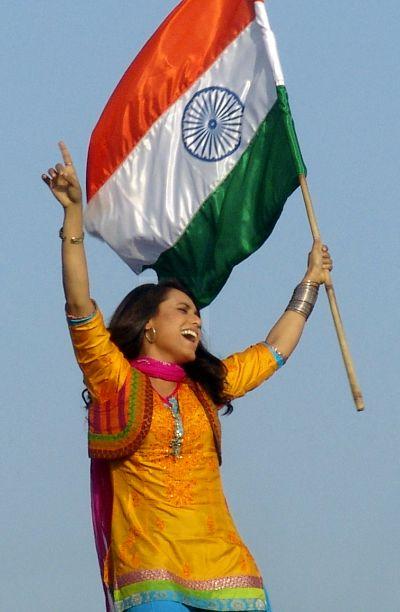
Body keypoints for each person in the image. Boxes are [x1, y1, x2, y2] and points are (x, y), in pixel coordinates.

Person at [42, 143, 333, 612]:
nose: (195, 319)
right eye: (182, 310)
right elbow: (79, 306)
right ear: (150, 325)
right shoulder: (115, 379)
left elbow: (272, 351)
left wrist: (310, 283)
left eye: (196, 312)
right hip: (152, 573)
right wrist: (73, 217)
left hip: (229, 572)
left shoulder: (206, 386)